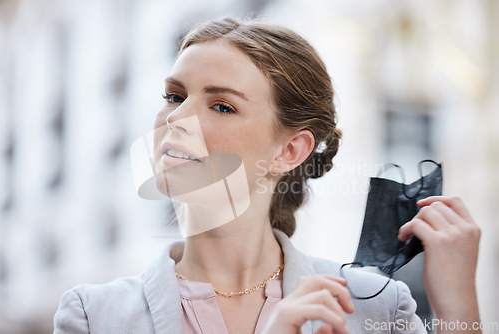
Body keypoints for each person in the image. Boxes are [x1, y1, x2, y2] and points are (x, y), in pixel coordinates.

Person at [53, 17, 481, 334]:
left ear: (290, 150)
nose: (177, 118)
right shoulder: (94, 316)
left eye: (221, 105)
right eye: (174, 95)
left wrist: (457, 302)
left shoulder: (376, 310)